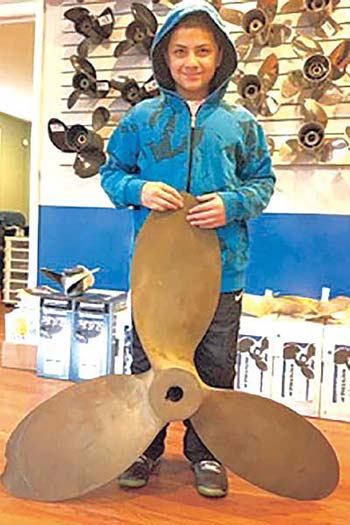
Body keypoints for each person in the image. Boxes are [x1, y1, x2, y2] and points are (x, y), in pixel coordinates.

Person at [100, 0, 275, 498]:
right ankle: (143, 447)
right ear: (164, 57)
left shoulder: (242, 123)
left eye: (202, 50)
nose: (191, 61)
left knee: (216, 367)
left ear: (219, 56)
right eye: (180, 51)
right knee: (150, 364)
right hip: (157, 275)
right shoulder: (142, 118)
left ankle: (207, 455)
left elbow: (263, 182)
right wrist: (139, 191)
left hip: (223, 271)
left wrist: (232, 204)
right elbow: (112, 174)